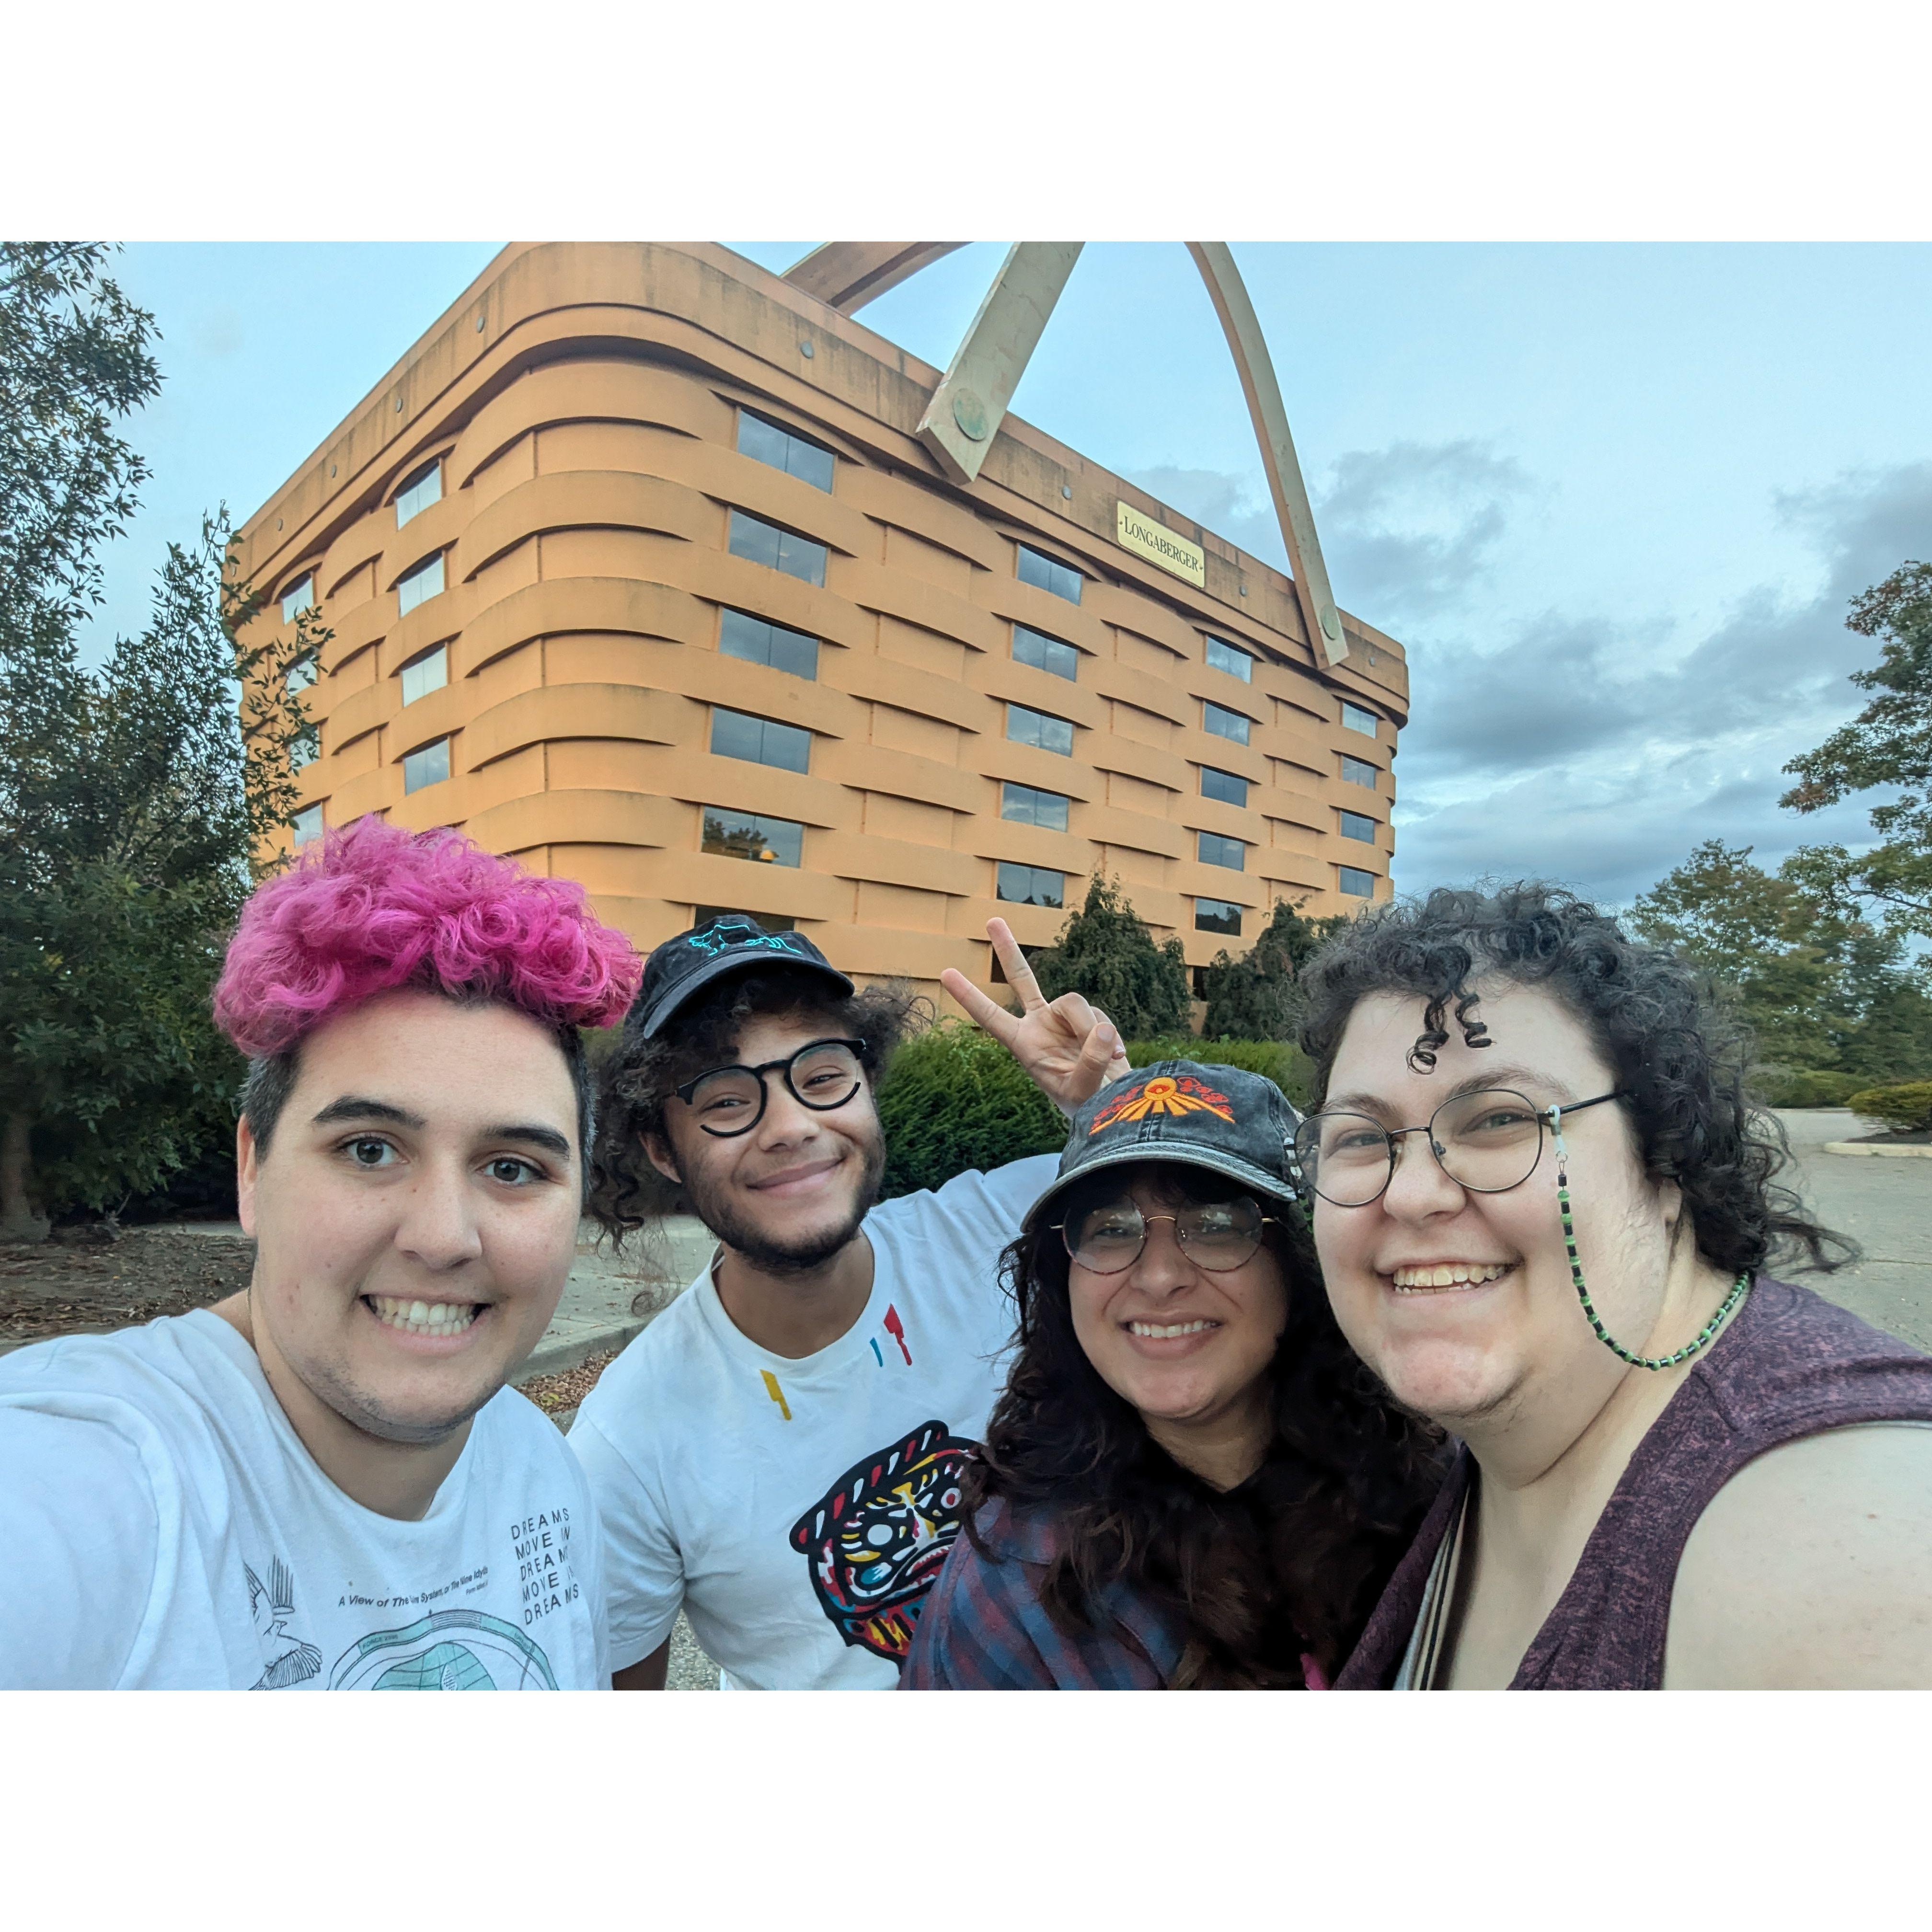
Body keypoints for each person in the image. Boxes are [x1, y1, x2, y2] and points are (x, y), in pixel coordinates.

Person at [0, 819, 640, 1689]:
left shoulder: (540, 1473)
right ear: (252, 1169)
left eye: (512, 1168)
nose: (444, 1236)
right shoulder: (82, 1488)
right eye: (370, 1149)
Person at [1286, 885, 1932, 1690]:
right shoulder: (1519, 1435)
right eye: (1360, 1137)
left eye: (1498, 1119)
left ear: (1663, 1165)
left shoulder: (1841, 1548)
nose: (1412, 1193)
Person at [569, 913, 1128, 1688]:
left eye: (825, 1075)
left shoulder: (1009, 1228)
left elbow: (1244, 1240)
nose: (793, 1126)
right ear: (663, 1148)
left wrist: (1114, 1109)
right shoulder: (629, 1444)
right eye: (727, 1100)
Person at [899, 1061, 1442, 1689]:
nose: (1160, 1277)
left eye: (1215, 1226)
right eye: (1110, 1229)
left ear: (1300, 1261)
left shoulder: (1426, 1477)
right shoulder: (1022, 1584)